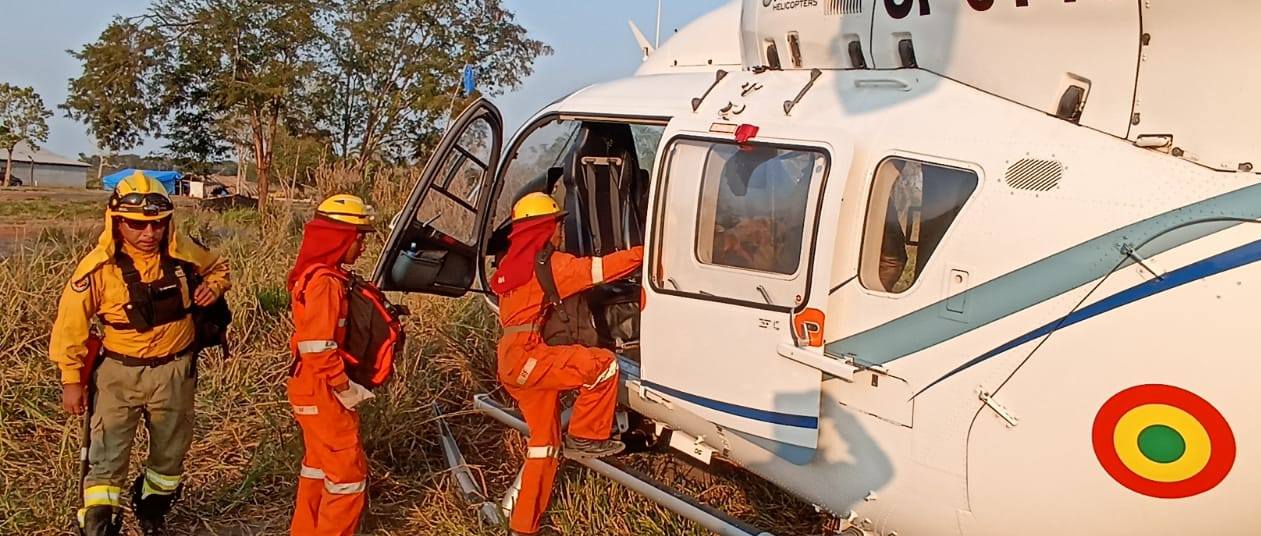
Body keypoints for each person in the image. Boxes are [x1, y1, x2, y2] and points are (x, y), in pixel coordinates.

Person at [50, 171, 231, 536]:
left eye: (158, 225)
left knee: (169, 460)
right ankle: (101, 523)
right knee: (106, 461)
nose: (149, 234)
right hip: (119, 375)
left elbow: (218, 267)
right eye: (137, 225)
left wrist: (213, 286)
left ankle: (151, 509)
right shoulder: (96, 268)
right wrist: (72, 382)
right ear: (116, 222)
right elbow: (70, 329)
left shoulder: (182, 253)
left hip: (175, 373)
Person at [490, 192, 644, 535]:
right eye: (557, 224)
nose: (561, 231)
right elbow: (602, 270)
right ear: (545, 229)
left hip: (512, 360)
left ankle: (523, 526)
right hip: (529, 357)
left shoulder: (510, 266)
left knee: (545, 446)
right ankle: (587, 436)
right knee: (602, 365)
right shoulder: (550, 264)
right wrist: (648, 253)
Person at [285, 194, 378, 536]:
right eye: (360, 237)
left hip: (308, 386)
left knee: (318, 467)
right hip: (322, 389)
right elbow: (318, 346)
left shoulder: (313, 275)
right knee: (347, 476)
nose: (363, 246)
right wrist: (344, 386)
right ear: (341, 237)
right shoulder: (325, 282)